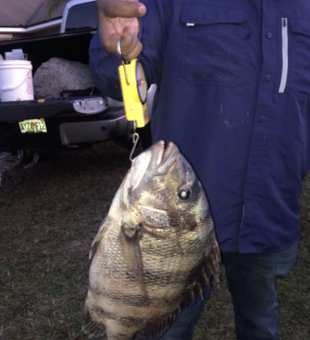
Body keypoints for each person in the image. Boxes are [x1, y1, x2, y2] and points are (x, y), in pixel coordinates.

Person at [88, 1, 310, 339]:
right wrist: (118, 49)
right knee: (165, 330)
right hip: (170, 221)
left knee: (261, 322)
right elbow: (119, 75)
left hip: (270, 208)